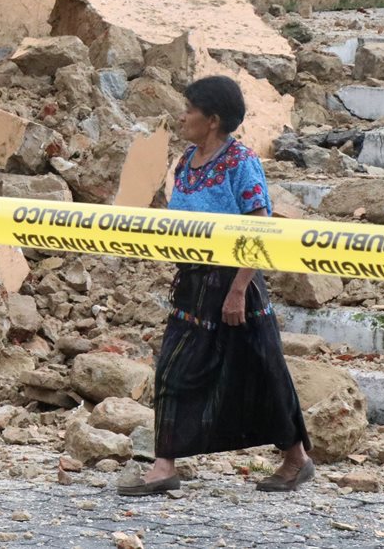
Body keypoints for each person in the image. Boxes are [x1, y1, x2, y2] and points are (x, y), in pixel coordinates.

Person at [116, 75, 314, 496]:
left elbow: (259, 226)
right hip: (193, 287)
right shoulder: (186, 160)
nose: (182, 116)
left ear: (213, 119)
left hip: (236, 285)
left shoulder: (242, 162)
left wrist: (239, 288)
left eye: (190, 109)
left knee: (263, 371)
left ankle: (296, 458)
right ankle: (163, 465)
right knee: (172, 369)